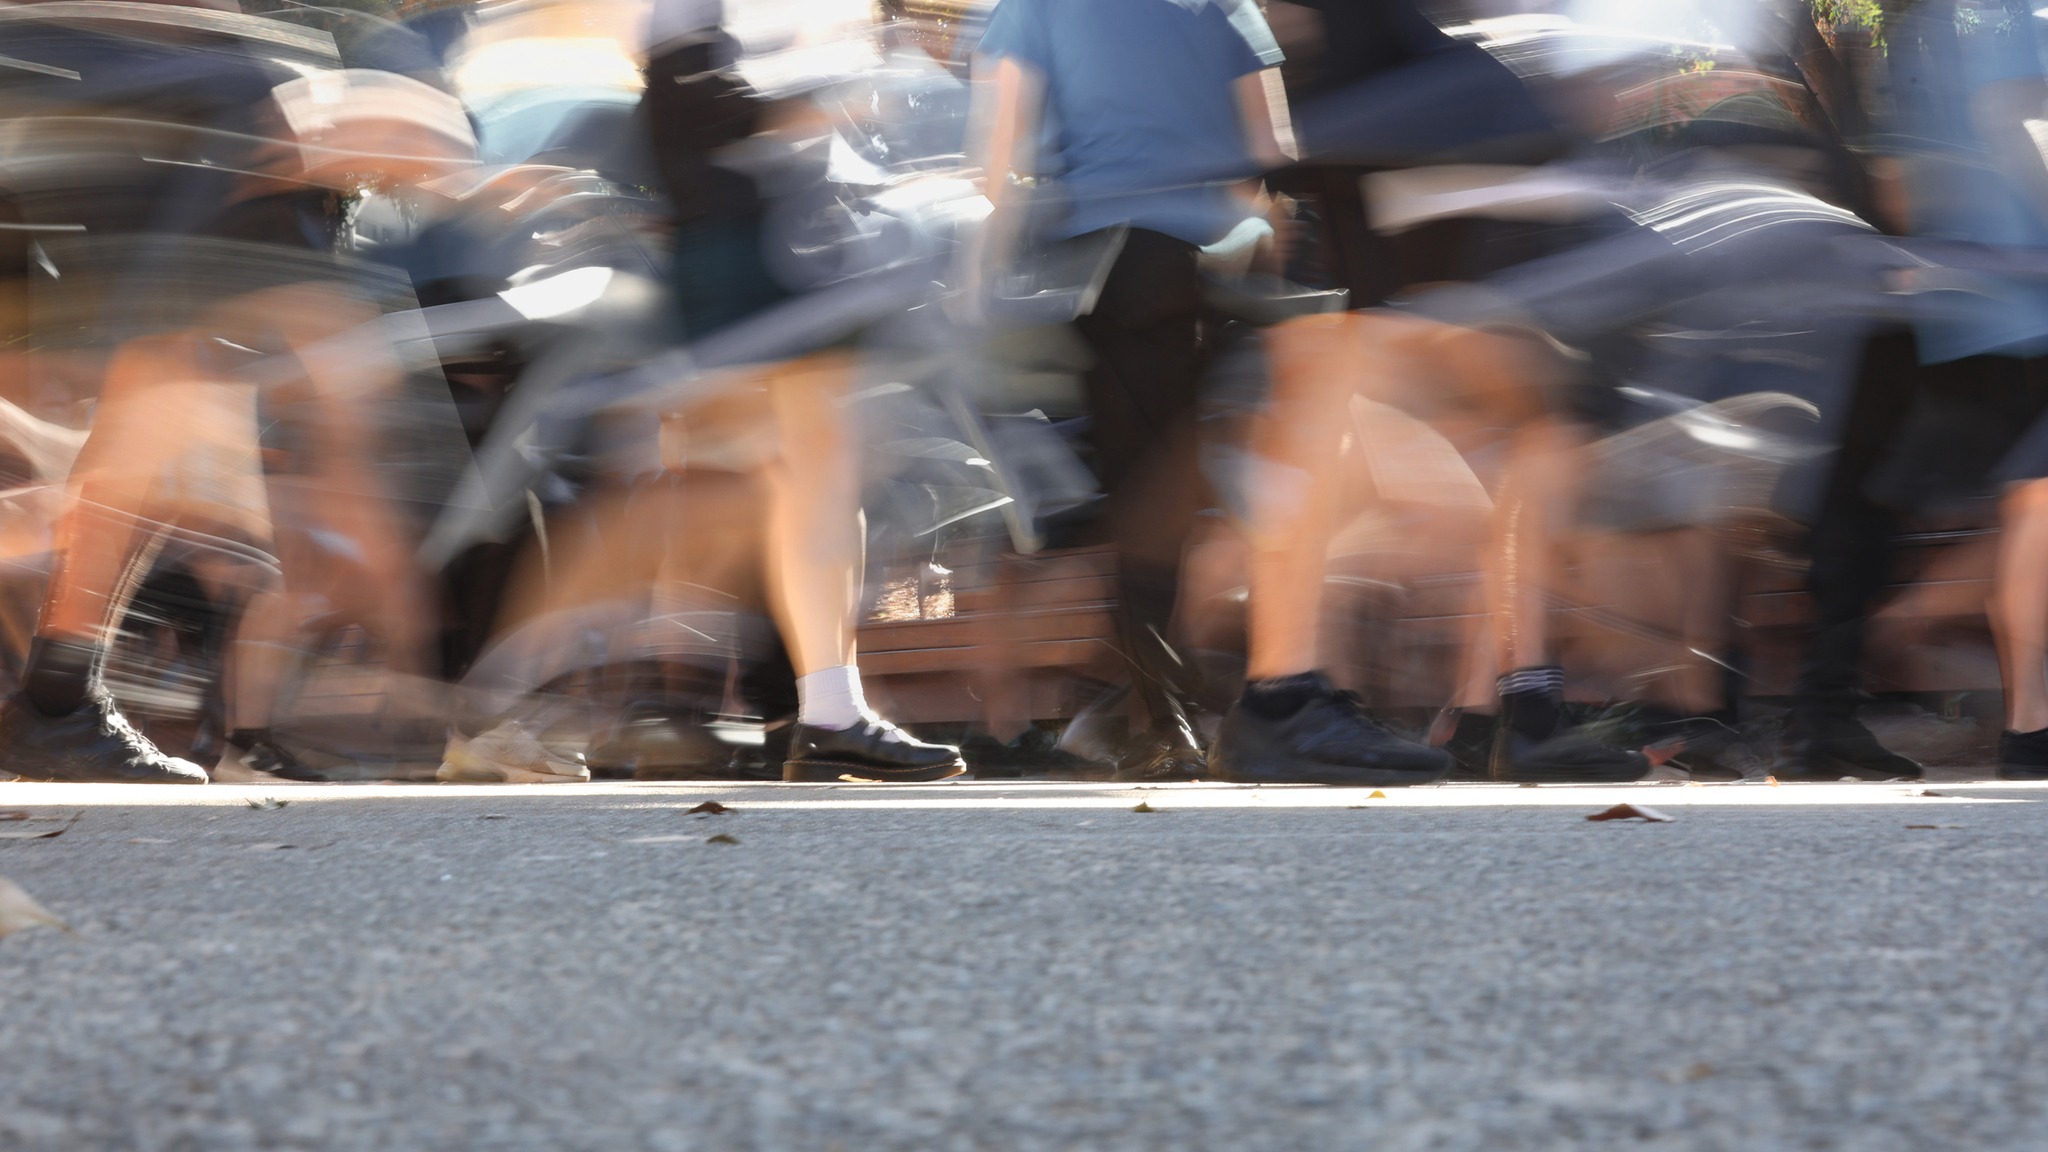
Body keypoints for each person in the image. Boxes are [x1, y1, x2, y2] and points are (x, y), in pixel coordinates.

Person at [968, 0, 1450, 785]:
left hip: (1111, 267)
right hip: (1226, 268)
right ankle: (1275, 692)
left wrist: (999, 258)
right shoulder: (1225, 4)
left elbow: (999, 158)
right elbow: (1270, 149)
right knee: (1244, 490)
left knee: (1139, 503)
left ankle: (1167, 726)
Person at [638, 0, 964, 782]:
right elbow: (696, 98)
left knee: (800, 482)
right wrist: (824, 92)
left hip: (751, 238)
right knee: (813, 479)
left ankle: (821, 709)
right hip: (761, 242)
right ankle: (824, 712)